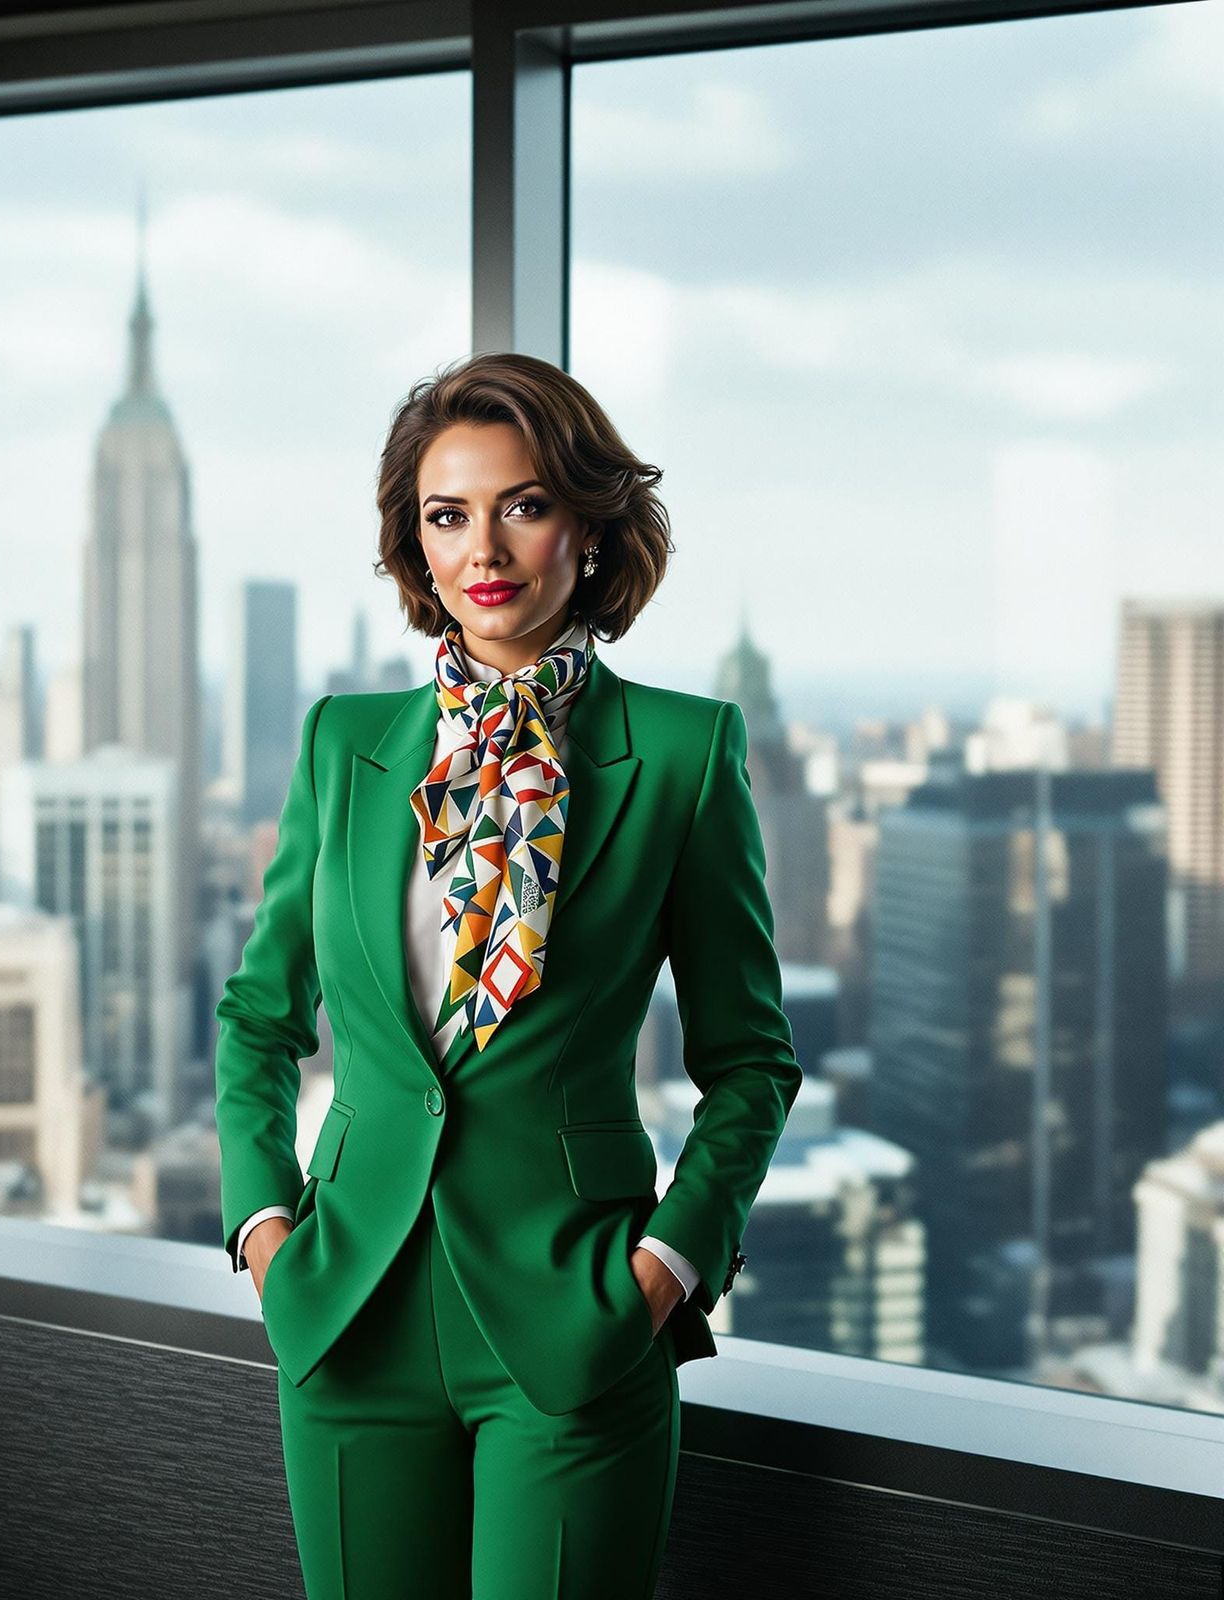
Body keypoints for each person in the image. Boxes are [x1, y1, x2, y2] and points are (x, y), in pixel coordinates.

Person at [215, 350, 803, 1599]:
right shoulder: (344, 744)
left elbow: (751, 1060)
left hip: (571, 1317)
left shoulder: (685, 755)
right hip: (348, 1307)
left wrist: (664, 1270)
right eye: (447, 514)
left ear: (586, 529)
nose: (484, 547)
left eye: (523, 505)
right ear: (413, 546)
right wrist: (266, 1230)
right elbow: (261, 1016)